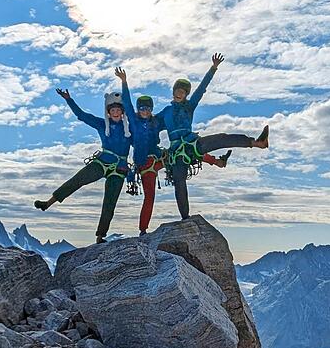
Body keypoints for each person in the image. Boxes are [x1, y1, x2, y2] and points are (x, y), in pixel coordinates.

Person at [115, 67, 229, 235]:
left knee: (186, 151)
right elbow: (127, 103)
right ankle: (143, 230)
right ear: (138, 110)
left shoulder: (156, 122)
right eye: (142, 108)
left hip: (160, 158)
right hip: (145, 165)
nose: (145, 111)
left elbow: (174, 118)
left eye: (148, 108)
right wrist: (124, 82)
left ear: (151, 110)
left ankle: (217, 161)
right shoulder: (134, 121)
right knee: (150, 197)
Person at [159, 53, 269, 219]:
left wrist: (213, 68)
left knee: (221, 139)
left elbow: (201, 89)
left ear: (186, 95)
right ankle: (185, 218)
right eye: (177, 90)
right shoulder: (165, 112)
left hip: (192, 144)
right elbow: (151, 124)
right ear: (173, 91)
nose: (179, 93)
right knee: (179, 182)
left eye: (183, 91)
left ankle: (257, 143)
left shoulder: (189, 106)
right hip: (176, 153)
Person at [33, 87, 131, 244]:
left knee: (110, 201)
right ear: (108, 112)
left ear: (122, 112)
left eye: (118, 109)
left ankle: (100, 236)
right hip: (102, 162)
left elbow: (141, 142)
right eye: (112, 110)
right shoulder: (101, 124)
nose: (115, 112)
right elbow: (82, 115)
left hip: (119, 168)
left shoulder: (129, 129)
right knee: (77, 180)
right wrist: (69, 99)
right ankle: (48, 203)